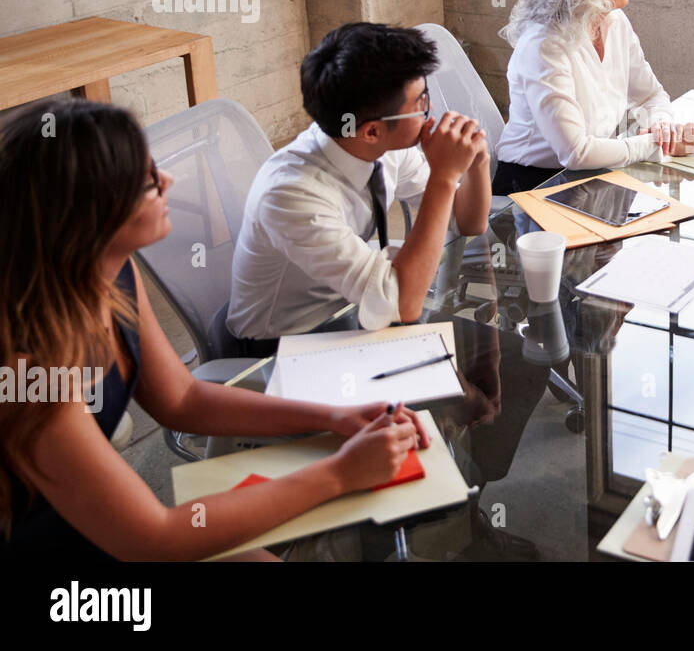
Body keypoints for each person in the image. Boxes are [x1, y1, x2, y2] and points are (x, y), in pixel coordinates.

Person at [0, 99, 432, 561]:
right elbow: (155, 539)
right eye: (147, 181)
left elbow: (181, 400)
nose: (167, 181)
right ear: (90, 214)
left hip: (99, 521)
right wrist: (340, 474)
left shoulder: (107, 271)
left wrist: (332, 418)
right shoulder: (30, 372)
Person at [227, 22, 492, 348]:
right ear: (370, 131)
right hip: (282, 344)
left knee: (494, 363)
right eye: (420, 102)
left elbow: (468, 222)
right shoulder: (290, 195)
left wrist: (477, 161)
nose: (431, 109)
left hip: (354, 310)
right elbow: (403, 305)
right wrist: (444, 176)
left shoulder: (383, 147)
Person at [493, 0, 694, 194]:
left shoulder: (615, 21)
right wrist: (655, 146)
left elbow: (651, 96)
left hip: (592, 175)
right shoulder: (543, 46)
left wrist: (663, 129)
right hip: (531, 183)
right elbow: (575, 152)